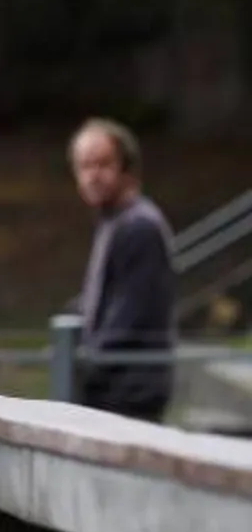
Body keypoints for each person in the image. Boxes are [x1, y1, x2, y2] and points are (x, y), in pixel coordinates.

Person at [68, 117, 177, 423]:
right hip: (112, 391)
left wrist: (83, 364)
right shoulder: (113, 223)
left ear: (126, 169)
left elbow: (129, 316)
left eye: (102, 164)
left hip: (129, 394)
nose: (93, 176)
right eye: (84, 166)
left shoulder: (139, 227)